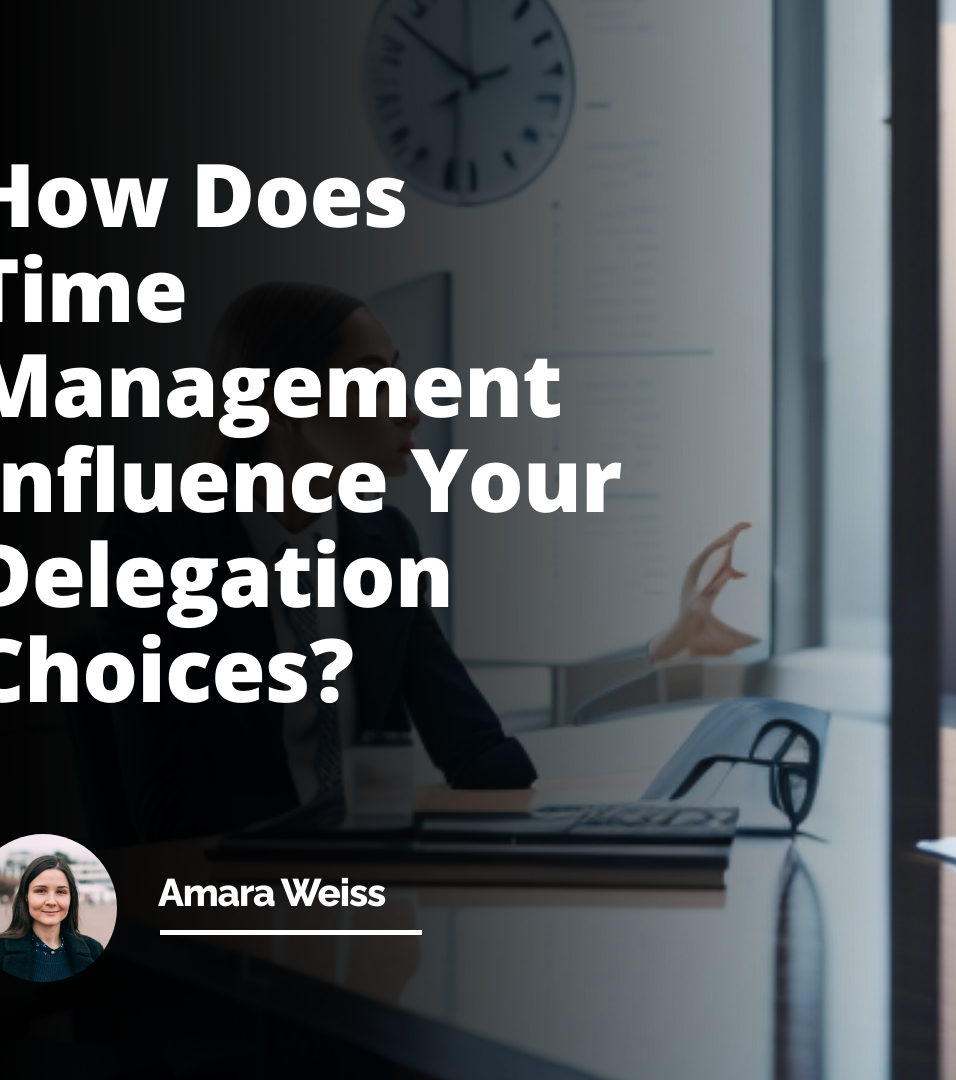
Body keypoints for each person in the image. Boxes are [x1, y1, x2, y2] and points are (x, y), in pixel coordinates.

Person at [100, 283, 757, 841]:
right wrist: (350, 832)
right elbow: (166, 812)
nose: (409, 409)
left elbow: (471, 747)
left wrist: (623, 813)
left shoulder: (383, 541)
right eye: (372, 377)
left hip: (363, 897)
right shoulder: (157, 553)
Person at [0, 855, 106, 982]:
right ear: (26, 896)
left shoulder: (94, 950)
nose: (51, 901)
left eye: (61, 892)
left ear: (71, 898)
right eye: (41, 891)